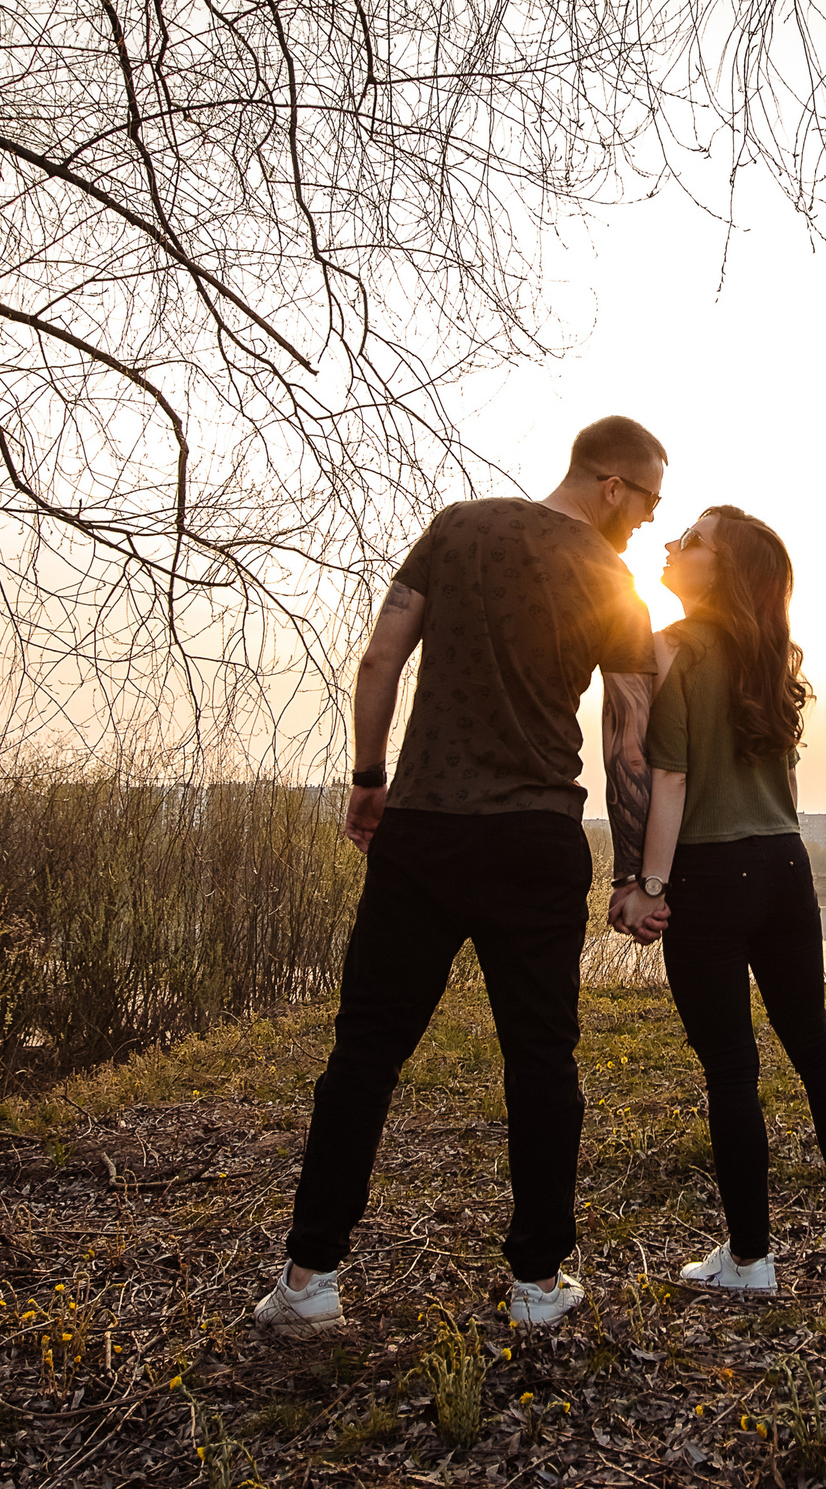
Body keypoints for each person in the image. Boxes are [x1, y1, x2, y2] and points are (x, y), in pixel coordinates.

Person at [255, 417, 668, 1335]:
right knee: (540, 1059)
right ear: (611, 485)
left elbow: (378, 658)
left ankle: (309, 1278)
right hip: (535, 838)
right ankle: (535, 1283)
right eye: (646, 503)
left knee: (365, 1051)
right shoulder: (613, 580)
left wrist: (370, 778)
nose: (645, 524)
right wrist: (638, 870)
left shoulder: (458, 527)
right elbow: (630, 738)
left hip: (425, 829)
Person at [610, 506, 826, 1294]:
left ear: (718, 570)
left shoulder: (670, 648)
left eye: (690, 540)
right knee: (813, 1042)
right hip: (785, 864)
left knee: (731, 1068)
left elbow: (668, 777)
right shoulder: (769, 658)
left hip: (708, 870)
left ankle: (751, 1259)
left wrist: (650, 886)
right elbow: (786, 783)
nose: (670, 544)